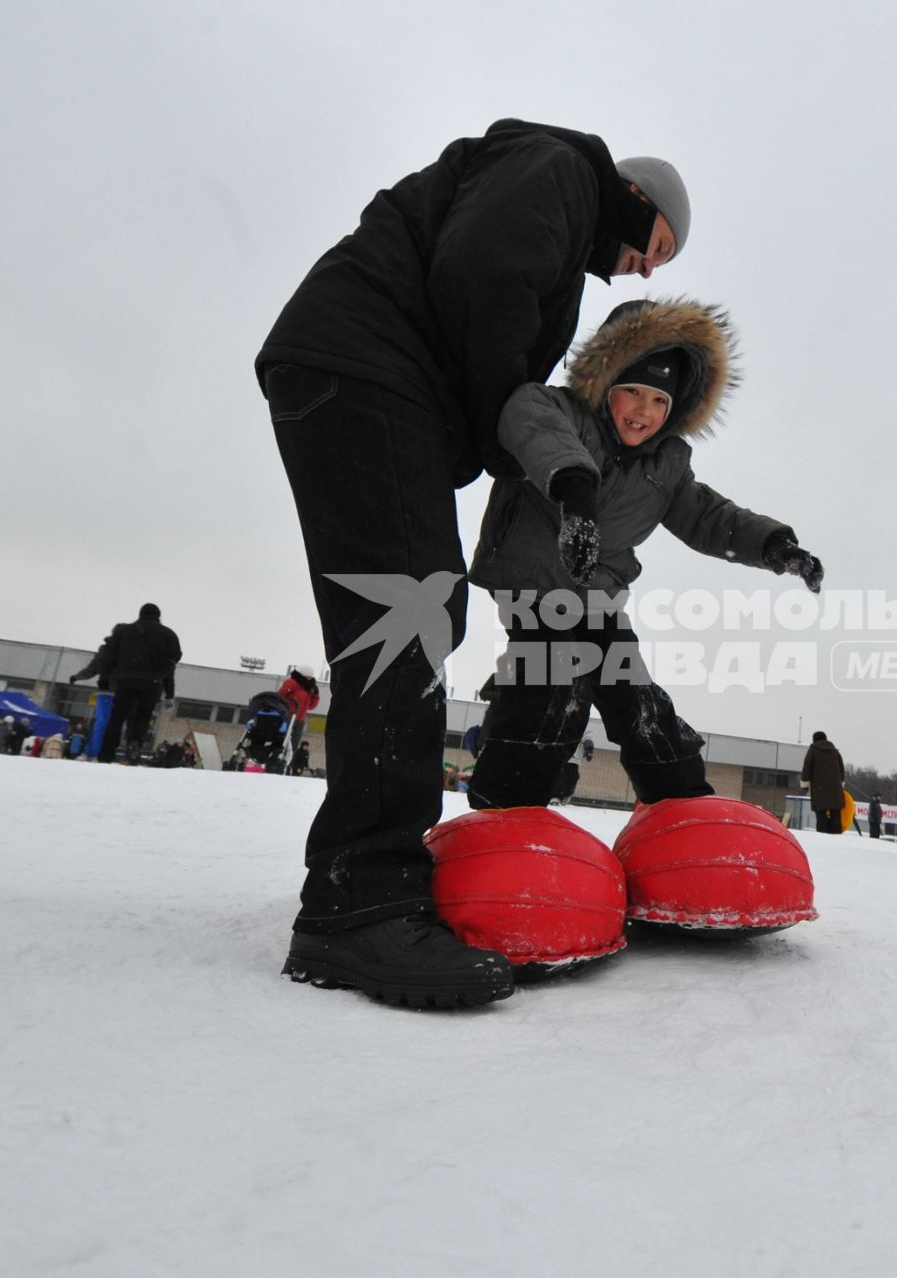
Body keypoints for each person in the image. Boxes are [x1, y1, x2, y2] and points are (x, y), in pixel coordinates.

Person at [259, 121, 689, 1010]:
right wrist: (507, 427)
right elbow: (483, 276)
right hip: (368, 369)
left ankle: (370, 879)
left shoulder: (564, 231)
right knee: (408, 610)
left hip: (373, 381)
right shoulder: (564, 169)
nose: (650, 268)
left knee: (415, 610)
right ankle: (358, 902)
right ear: (635, 200)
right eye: (658, 246)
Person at [463, 297, 818, 826]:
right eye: (630, 390)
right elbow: (531, 424)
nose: (642, 411)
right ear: (604, 382)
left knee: (638, 701)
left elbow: (707, 515)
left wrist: (774, 546)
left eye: (658, 399)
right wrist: (574, 491)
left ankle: (682, 808)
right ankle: (505, 809)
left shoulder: (667, 463)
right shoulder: (557, 410)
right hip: (534, 585)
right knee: (557, 681)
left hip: (600, 599)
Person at [87, 603, 181, 764]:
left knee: (117, 717)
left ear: (140, 614)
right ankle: (135, 744)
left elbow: (108, 657)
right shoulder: (168, 634)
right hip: (151, 683)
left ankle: (107, 753)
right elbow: (175, 657)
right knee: (143, 717)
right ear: (158, 616)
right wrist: (160, 675)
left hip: (125, 680)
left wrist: (104, 680)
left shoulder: (124, 631)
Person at [801, 732, 848, 834]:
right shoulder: (835, 752)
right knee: (835, 814)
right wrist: (841, 784)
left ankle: (823, 835)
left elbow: (806, 768)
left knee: (821, 814)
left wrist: (805, 784)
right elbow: (842, 769)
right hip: (835, 789)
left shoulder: (812, 751)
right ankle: (836, 834)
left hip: (819, 789)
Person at [275, 664, 321, 758]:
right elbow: (279, 697)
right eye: (306, 677)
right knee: (281, 742)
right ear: (301, 675)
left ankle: (287, 764)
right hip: (287, 717)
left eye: (310, 677)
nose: (308, 679)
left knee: (293, 744)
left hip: (300, 720)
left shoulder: (309, 687)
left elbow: (311, 706)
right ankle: (275, 761)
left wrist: (315, 695)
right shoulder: (292, 683)